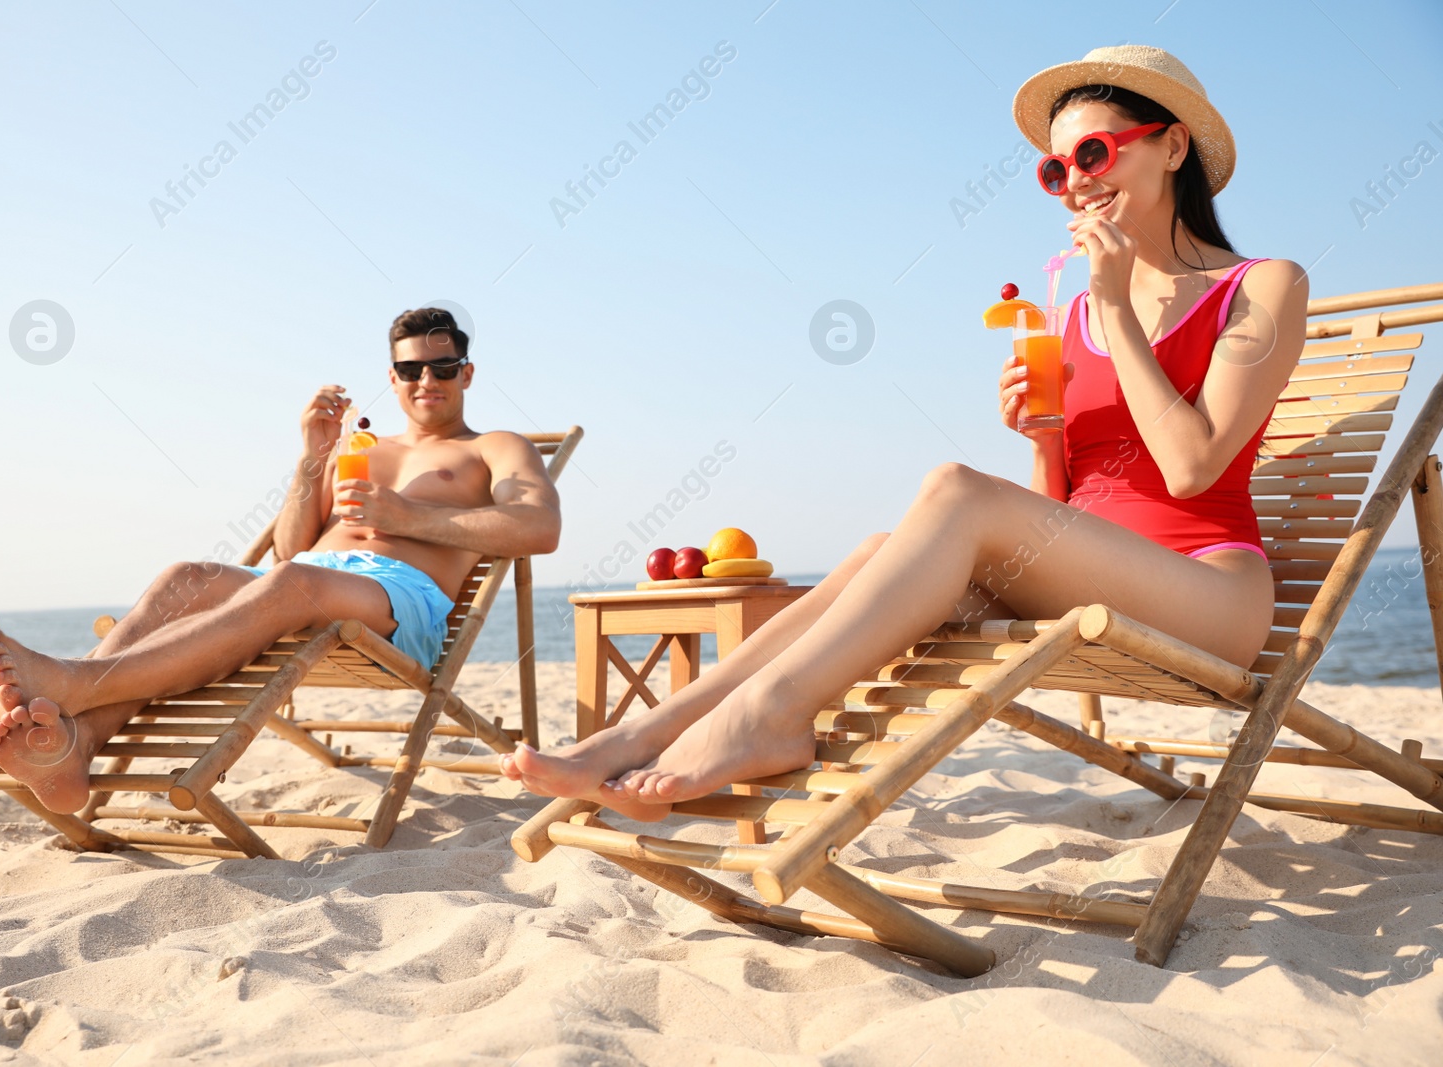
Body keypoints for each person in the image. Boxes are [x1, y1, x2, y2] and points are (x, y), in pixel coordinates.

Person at [504, 45, 1307, 820]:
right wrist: (1042, 436)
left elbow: (1193, 467)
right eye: (1056, 170)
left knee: (953, 488)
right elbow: (1061, 508)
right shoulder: (1078, 304)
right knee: (874, 551)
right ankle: (635, 733)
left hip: (1208, 592)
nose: (1074, 186)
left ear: (1171, 145)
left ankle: (772, 712)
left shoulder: (1261, 285)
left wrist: (1117, 306)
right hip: (1104, 574)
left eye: (1093, 154)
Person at [0, 307, 561, 814]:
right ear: (393, 377)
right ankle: (71, 750)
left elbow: (540, 526)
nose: (426, 380)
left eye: (442, 368)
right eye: (410, 370)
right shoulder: (360, 448)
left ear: (467, 372)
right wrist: (311, 456)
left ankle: (79, 681)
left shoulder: (494, 446)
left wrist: (406, 516)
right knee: (187, 577)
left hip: (398, 601)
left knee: (295, 581)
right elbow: (290, 547)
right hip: (303, 580)